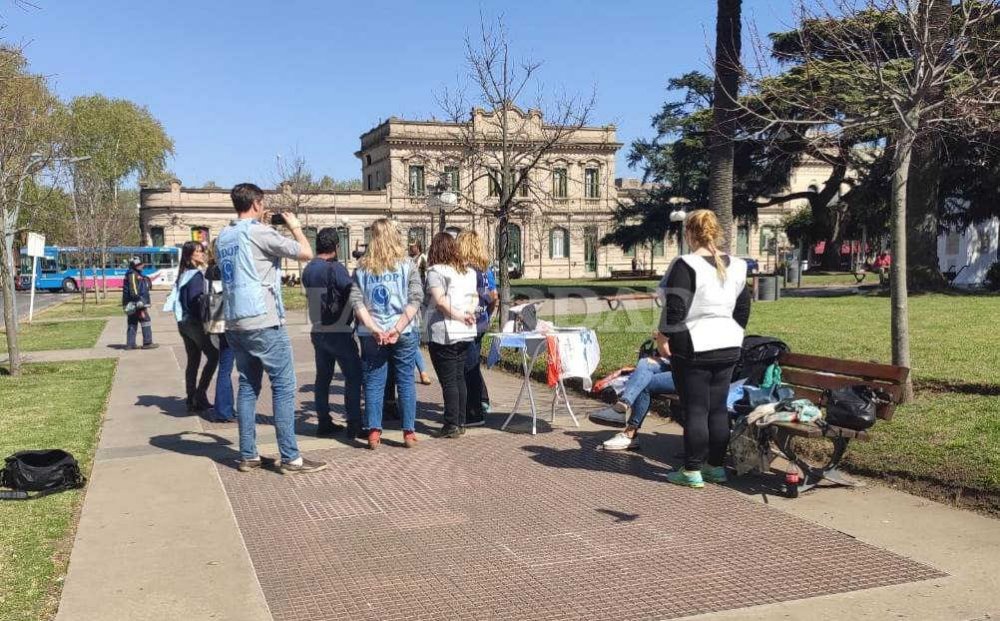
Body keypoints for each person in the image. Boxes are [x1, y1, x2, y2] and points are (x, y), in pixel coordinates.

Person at [218, 183, 325, 475]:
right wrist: (295, 226)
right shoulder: (260, 232)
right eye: (263, 204)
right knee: (283, 386)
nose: (265, 209)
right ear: (256, 202)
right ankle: (291, 457)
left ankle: (248, 454)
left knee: (248, 386)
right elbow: (305, 253)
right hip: (263, 320)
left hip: (235, 320)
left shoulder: (224, 236)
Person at [657, 209, 751, 488]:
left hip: (694, 343)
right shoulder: (737, 265)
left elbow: (675, 309)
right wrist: (732, 331)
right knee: (718, 408)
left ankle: (691, 470)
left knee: (695, 408)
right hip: (729, 341)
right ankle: (715, 467)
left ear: (689, 233)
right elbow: (743, 308)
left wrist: (663, 338)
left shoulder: (685, 264)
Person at [349, 218, 423, 450]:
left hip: (372, 333)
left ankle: (373, 431)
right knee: (405, 381)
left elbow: (356, 301)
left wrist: (373, 328)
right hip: (403, 331)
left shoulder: (362, 267)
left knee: (373, 381)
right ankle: (408, 432)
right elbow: (416, 299)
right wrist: (397, 328)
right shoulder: (407, 264)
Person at [301, 227, 363, 438]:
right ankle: (354, 424)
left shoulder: (308, 269)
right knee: (354, 376)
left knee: (323, 378)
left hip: (318, 329)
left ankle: (324, 421)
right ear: (336, 247)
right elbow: (353, 291)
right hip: (338, 330)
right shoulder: (335, 268)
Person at [425, 232, 478, 438]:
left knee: (448, 380)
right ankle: (460, 420)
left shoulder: (435, 271)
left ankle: (451, 423)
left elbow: (439, 301)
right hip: (465, 331)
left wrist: (458, 316)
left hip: (445, 331)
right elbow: (473, 298)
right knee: (458, 378)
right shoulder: (468, 272)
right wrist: (468, 314)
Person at [164, 241, 219, 414]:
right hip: (193, 323)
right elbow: (195, 302)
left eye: (202, 251)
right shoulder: (195, 275)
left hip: (183, 323)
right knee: (213, 356)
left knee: (193, 360)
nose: (202, 254)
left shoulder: (184, 274)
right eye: (198, 252)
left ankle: (191, 398)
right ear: (189, 256)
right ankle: (199, 395)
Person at [456, 230, 497, 426]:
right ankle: (481, 400)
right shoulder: (486, 270)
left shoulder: (465, 271)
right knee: (473, 364)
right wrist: (488, 314)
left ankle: (474, 408)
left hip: (468, 323)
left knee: (468, 367)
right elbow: (493, 296)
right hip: (481, 321)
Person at [595, 352, 677, 451]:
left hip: (691, 373)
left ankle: (630, 432)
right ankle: (623, 404)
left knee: (644, 383)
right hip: (676, 364)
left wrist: (665, 343)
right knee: (645, 362)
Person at [205, 240, 235, 422]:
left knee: (225, 366)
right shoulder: (223, 269)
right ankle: (223, 410)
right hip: (227, 321)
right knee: (226, 368)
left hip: (217, 321)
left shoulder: (210, 270)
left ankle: (226, 407)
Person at [408, 241, 432, 385]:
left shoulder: (422, 258)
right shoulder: (410, 260)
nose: (411, 248)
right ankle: (422, 371)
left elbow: (425, 276)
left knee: (414, 341)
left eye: (413, 246)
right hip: (414, 298)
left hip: (419, 297)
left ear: (418, 247)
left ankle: (422, 371)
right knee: (414, 342)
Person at [122, 257, 157, 350]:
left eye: (141, 264)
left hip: (133, 303)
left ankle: (130, 344)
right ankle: (147, 342)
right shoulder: (132, 274)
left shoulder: (135, 273)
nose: (142, 266)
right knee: (145, 320)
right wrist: (138, 301)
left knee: (132, 322)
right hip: (136, 303)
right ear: (134, 266)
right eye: (139, 265)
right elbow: (133, 289)